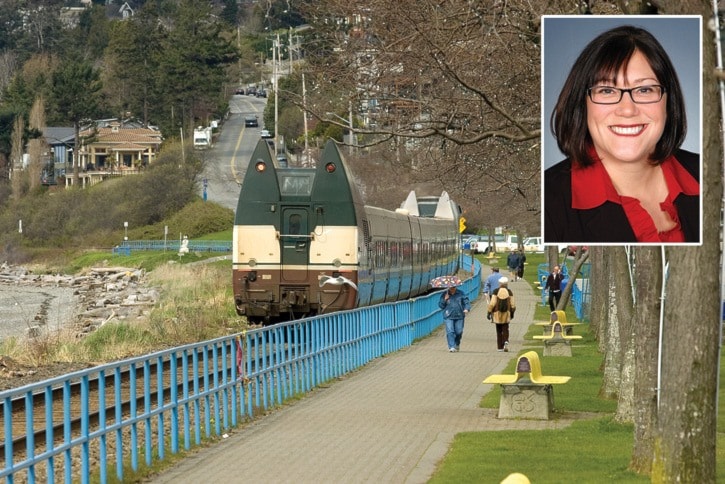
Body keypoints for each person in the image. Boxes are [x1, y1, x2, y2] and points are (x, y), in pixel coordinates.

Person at [545, 24, 700, 243]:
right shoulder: (548, 201)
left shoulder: (710, 175)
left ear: (668, 100)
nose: (627, 110)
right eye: (607, 90)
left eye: (644, 90)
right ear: (582, 103)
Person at [438, 283, 471, 352]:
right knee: (450, 331)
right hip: (448, 315)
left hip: (459, 315)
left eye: (453, 287)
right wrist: (445, 299)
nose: (452, 289)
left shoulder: (461, 293)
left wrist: (466, 308)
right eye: (450, 288)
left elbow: (466, 302)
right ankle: (451, 346)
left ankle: (457, 343)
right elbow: (441, 306)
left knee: (459, 331)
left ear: (456, 287)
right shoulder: (445, 294)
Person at [487, 277, 515, 352]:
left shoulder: (496, 291)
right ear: (506, 284)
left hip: (497, 313)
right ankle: (506, 340)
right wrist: (512, 313)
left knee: (498, 330)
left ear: (499, 283)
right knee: (505, 328)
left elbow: (492, 303)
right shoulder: (509, 292)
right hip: (507, 313)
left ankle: (500, 347)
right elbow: (513, 304)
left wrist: (489, 312)